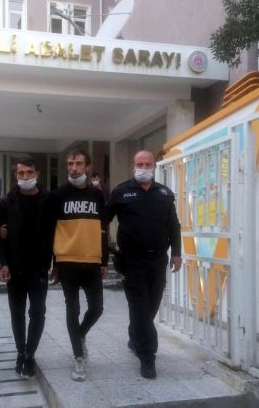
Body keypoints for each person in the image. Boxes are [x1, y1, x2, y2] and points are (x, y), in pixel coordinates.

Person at [107, 150, 182, 379]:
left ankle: (135, 336)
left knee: (152, 304)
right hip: (132, 260)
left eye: (147, 164)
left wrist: (177, 253)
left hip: (158, 260)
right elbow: (102, 221)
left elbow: (174, 225)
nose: (143, 167)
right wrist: (105, 250)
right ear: (133, 165)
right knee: (139, 306)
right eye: (139, 164)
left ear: (154, 166)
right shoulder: (121, 192)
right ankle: (148, 355)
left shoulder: (164, 193)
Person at [44, 148, 108, 382]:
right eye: (70, 164)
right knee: (73, 310)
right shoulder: (57, 195)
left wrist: (103, 260)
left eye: (79, 163)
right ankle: (78, 357)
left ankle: (79, 335)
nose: (74, 168)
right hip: (67, 261)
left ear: (87, 166)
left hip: (91, 261)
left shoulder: (97, 195)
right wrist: (54, 263)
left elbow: (103, 229)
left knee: (97, 308)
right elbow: (51, 231)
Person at [0, 156, 52, 379]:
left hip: (39, 269)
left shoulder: (48, 201)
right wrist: (3, 263)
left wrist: (56, 263)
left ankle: (30, 354)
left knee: (37, 313)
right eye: (21, 173)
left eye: (29, 172)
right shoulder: (6, 202)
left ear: (37, 174)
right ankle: (21, 352)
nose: (25, 177)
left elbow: (56, 233)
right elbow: (0, 237)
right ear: (15, 175)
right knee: (17, 314)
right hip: (15, 268)